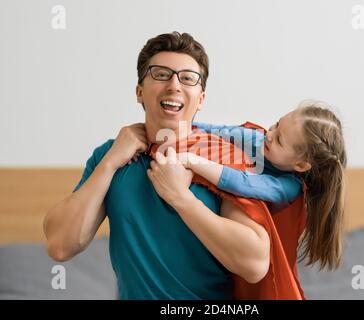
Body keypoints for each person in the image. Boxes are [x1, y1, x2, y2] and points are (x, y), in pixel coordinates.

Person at [43, 32, 271, 300]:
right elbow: (60, 245)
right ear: (139, 92)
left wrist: (180, 197)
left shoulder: (225, 159)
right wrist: (108, 164)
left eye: (187, 78)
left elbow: (254, 264)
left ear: (201, 99)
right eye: (161, 74)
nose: (174, 85)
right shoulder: (110, 156)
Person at [181, 100, 348, 270]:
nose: (269, 134)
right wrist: (179, 126)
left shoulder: (287, 187)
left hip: (254, 256)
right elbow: (217, 131)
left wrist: (192, 161)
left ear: (300, 165)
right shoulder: (259, 139)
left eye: (279, 140)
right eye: (277, 124)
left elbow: (242, 182)